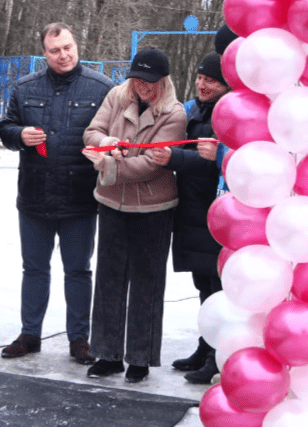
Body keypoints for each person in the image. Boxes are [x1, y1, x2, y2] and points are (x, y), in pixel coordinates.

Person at [0, 22, 114, 364]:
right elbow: (5, 128)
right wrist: (19, 135)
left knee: (78, 270)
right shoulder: (24, 87)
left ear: (76, 45)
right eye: (54, 50)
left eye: (68, 48)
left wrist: (105, 152)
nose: (63, 56)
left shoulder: (101, 88)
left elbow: (112, 134)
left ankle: (79, 339)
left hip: (79, 198)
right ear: (44, 54)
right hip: (34, 197)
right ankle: (30, 334)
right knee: (33, 269)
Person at [81, 47, 186, 383]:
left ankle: (140, 358)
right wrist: (106, 142)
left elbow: (150, 165)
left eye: (150, 81)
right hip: (112, 204)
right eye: (138, 79)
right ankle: (107, 354)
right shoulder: (116, 95)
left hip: (153, 210)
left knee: (146, 283)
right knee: (109, 279)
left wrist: (106, 164)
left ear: (163, 81)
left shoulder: (175, 114)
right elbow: (91, 133)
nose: (143, 86)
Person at [151, 50, 233, 385]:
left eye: (211, 80)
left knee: (218, 288)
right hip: (190, 207)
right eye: (200, 77)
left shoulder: (232, 115)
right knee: (202, 283)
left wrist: (182, 158)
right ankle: (204, 347)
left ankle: (218, 355)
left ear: (226, 84)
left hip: (216, 210)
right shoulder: (189, 110)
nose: (203, 84)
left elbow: (238, 158)